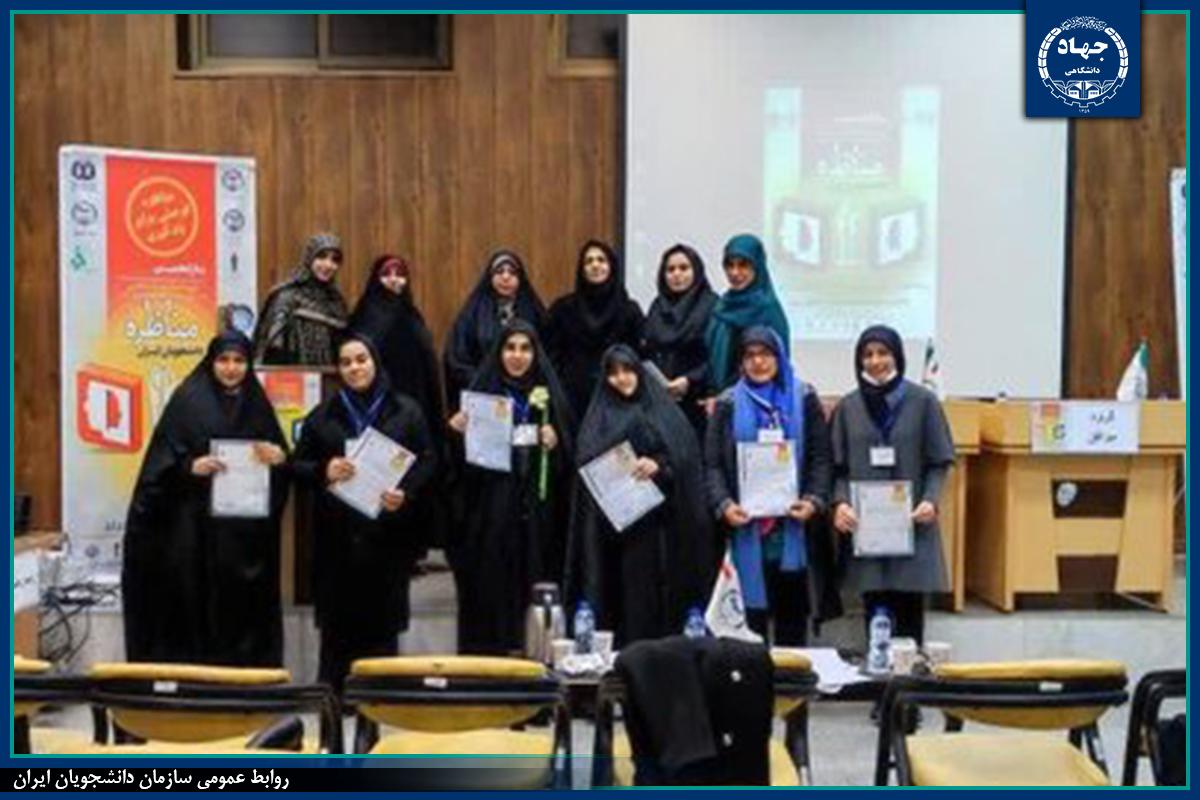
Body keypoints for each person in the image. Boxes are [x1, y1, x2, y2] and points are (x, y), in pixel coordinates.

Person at [122, 330, 290, 666]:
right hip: (194, 533)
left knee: (242, 612)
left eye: (239, 360)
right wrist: (189, 467)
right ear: (211, 362)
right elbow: (158, 469)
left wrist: (280, 458)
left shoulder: (257, 404)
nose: (231, 368)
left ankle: (244, 682)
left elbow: (281, 463)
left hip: (242, 539)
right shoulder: (188, 401)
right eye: (223, 360)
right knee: (192, 608)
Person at [292, 333, 438, 692]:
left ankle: (379, 700)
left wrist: (406, 493)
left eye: (361, 359)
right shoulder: (323, 415)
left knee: (383, 629)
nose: (355, 368)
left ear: (375, 361)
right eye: (346, 363)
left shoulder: (405, 411)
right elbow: (297, 466)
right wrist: (324, 469)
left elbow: (429, 460)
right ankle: (334, 702)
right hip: (336, 544)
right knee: (337, 631)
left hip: (386, 539)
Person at [564, 345, 715, 647]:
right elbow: (587, 469)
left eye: (628, 370)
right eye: (613, 373)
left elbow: (684, 460)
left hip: (665, 528)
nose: (622, 379)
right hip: (617, 535)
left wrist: (658, 464)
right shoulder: (598, 416)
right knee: (626, 605)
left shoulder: (664, 410)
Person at [447, 320, 575, 655]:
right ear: (498, 352)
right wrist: (456, 435)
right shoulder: (483, 394)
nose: (517, 356)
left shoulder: (550, 395)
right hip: (490, 512)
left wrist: (555, 443)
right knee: (491, 585)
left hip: (537, 515)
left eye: (525, 348)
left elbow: (568, 461)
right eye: (510, 348)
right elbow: (457, 471)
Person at [703, 326, 832, 645]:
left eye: (765, 354)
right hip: (745, 530)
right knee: (748, 634)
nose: (758, 362)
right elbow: (713, 464)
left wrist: (813, 501)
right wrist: (724, 505)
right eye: (750, 356)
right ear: (740, 362)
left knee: (792, 630)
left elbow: (821, 458)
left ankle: (792, 679)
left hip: (793, 533)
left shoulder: (804, 397)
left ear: (779, 357)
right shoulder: (727, 402)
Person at [830, 325, 955, 645]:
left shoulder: (924, 402)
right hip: (867, 528)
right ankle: (878, 673)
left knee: (910, 619)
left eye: (883, 353)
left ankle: (910, 674)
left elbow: (939, 461)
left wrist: (930, 499)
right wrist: (840, 503)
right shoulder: (848, 407)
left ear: (897, 355)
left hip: (911, 524)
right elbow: (837, 469)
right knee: (875, 614)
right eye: (868, 354)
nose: (875, 361)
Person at [348, 253, 449, 553]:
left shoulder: (412, 313)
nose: (394, 279)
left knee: (412, 476)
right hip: (379, 410)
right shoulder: (365, 313)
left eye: (400, 273)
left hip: (414, 408)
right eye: (387, 273)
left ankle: (413, 549)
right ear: (375, 278)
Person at [546, 240, 645, 415]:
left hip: (617, 398)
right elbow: (551, 355)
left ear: (612, 266)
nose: (595, 265)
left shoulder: (629, 310)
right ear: (581, 269)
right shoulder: (563, 309)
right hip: (571, 399)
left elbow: (638, 356)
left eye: (601, 260)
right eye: (588, 261)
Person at [444, 249, 548, 413]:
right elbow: (457, 358)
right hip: (484, 394)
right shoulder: (473, 312)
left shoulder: (533, 311)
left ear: (520, 278)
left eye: (512, 272)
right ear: (490, 277)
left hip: (527, 395)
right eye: (499, 271)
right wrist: (483, 381)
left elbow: (547, 355)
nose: (505, 277)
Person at [641, 243, 718, 433]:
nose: (677, 274)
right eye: (670, 269)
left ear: (696, 271)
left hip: (699, 402)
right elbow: (647, 350)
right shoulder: (657, 307)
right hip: (660, 401)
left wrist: (689, 380)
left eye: (684, 268)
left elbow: (718, 356)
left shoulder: (713, 306)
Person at [705, 234, 791, 392]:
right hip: (716, 397)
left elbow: (779, 364)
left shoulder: (768, 309)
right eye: (729, 265)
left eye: (743, 265)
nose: (734, 273)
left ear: (757, 266)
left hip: (757, 398)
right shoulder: (722, 305)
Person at [253, 232, 349, 366]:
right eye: (321, 257)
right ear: (309, 258)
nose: (328, 265)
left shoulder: (336, 301)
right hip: (291, 373)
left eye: (335, 260)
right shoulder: (287, 296)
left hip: (330, 374)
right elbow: (269, 346)